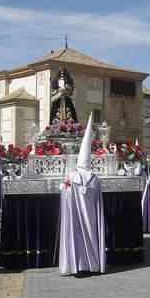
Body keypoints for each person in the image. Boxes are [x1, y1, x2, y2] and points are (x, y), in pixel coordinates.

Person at [59, 113, 105, 275]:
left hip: (76, 218)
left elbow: (65, 195)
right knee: (92, 233)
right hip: (91, 217)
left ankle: (78, 264)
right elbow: (99, 204)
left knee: (76, 236)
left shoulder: (72, 177)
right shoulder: (95, 179)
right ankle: (93, 264)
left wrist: (63, 188)